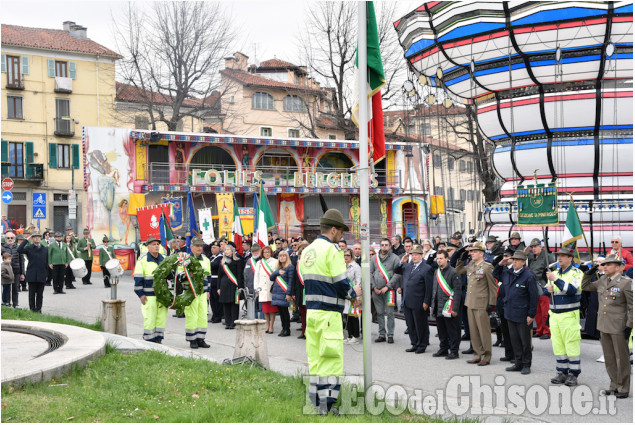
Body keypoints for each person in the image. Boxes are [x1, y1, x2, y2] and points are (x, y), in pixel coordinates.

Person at [299, 209, 361, 415]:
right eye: (341, 231)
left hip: (312, 313)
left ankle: (314, 402)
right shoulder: (332, 251)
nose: (342, 234)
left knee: (315, 359)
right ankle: (327, 406)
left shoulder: (307, 250)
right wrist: (354, 294)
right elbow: (341, 281)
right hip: (329, 314)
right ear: (333, 229)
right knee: (331, 360)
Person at [582, 254, 633, 398]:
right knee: (610, 358)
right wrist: (588, 273)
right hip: (604, 324)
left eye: (608, 265)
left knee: (621, 358)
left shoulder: (625, 283)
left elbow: (631, 306)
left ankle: (623, 388)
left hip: (618, 325)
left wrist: (630, 325)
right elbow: (585, 287)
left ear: (617, 267)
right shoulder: (602, 280)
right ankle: (614, 385)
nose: (604, 267)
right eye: (604, 265)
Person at [545, 243, 583, 386]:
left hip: (569, 315)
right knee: (558, 345)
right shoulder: (556, 272)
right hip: (554, 315)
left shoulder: (576, 273)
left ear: (570, 258)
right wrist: (547, 288)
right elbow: (546, 290)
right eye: (558, 256)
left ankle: (573, 374)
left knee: (571, 345)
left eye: (562, 256)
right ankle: (562, 372)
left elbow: (572, 289)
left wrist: (555, 280)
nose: (559, 258)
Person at [494, 251, 538, 374]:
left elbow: (533, 297)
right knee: (514, 340)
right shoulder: (508, 273)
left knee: (524, 341)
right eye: (513, 260)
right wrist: (501, 263)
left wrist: (531, 314)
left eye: (517, 260)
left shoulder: (529, 276)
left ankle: (526, 364)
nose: (514, 262)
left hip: (523, 313)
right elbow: (495, 274)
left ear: (524, 262)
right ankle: (518, 363)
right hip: (509, 311)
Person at [456, 242, 498, 366]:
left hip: (481, 303)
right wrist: (461, 259)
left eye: (474, 251)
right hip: (470, 302)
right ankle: (478, 353)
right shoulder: (471, 265)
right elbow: (458, 270)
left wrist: (491, 303)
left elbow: (492, 286)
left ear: (481, 253)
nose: (471, 253)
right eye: (471, 251)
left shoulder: (487, 267)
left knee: (483, 331)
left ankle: (486, 355)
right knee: (474, 331)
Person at [399, 244, 433, 354]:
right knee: (410, 324)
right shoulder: (408, 265)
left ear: (422, 256)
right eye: (412, 255)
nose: (414, 257)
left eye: (417, 255)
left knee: (420, 325)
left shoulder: (426, 268)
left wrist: (426, 301)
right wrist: (402, 262)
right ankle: (414, 343)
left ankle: (422, 344)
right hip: (408, 300)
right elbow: (397, 270)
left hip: (419, 301)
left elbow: (429, 287)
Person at [133, 237, 167, 343]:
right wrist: (141, 294)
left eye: (158, 244)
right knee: (150, 317)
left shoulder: (165, 259)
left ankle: (158, 338)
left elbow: (170, 275)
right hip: (149, 295)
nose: (156, 246)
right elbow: (138, 279)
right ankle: (148, 339)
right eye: (153, 244)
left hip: (162, 295)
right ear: (148, 247)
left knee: (161, 317)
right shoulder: (143, 260)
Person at [431, 250, 462, 359]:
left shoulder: (454, 272)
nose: (438, 260)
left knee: (452, 331)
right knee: (441, 330)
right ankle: (443, 348)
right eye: (437, 258)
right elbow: (435, 290)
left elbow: (458, 292)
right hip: (438, 306)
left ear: (447, 259)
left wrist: (455, 308)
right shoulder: (436, 271)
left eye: (441, 258)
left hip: (449, 306)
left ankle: (454, 351)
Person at [182, 237, 211, 349]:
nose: (200, 248)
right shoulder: (185, 259)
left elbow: (208, 277)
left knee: (202, 315)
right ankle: (192, 339)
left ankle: (201, 338)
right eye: (197, 246)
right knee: (192, 316)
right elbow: (179, 276)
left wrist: (208, 290)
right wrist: (188, 275)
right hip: (190, 291)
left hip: (203, 292)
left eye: (201, 246)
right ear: (191, 247)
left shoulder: (206, 260)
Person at [371, 238, 401, 344]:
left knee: (390, 313)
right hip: (376, 290)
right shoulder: (374, 258)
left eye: (386, 245)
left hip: (389, 291)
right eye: (382, 245)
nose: (384, 247)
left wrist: (387, 286)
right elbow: (370, 273)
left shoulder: (395, 258)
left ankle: (390, 334)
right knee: (379, 313)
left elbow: (398, 274)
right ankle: (381, 334)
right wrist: (374, 286)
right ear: (380, 246)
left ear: (389, 246)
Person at [18, 232, 48, 313]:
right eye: (35, 237)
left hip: (42, 274)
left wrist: (47, 274)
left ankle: (38, 309)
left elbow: (47, 262)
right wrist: (26, 240)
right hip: (32, 274)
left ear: (41, 238)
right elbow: (19, 249)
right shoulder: (29, 248)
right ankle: (32, 309)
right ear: (32, 239)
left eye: (38, 237)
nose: (37, 238)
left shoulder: (45, 249)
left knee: (40, 294)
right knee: (31, 294)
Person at [526, 238, 550, 339]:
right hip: (534, 285)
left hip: (543, 284)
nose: (533, 249)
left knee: (545, 311)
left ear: (540, 247)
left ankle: (546, 331)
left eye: (535, 246)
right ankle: (540, 330)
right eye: (532, 247)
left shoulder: (547, 256)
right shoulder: (531, 257)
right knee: (537, 311)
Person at [217, 244, 243, 330]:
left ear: (232, 251)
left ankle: (233, 322)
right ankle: (227, 322)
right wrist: (218, 288)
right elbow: (219, 276)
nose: (226, 251)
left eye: (228, 249)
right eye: (225, 250)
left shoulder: (237, 260)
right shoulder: (222, 262)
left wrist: (239, 286)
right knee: (226, 304)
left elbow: (240, 275)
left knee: (233, 304)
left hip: (233, 285)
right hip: (224, 285)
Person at [270, 250, 294, 337]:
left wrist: (289, 294)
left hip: (284, 293)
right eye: (280, 256)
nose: (282, 257)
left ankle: (287, 329)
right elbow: (271, 278)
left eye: (284, 256)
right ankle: (283, 328)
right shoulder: (279, 268)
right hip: (277, 293)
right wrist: (277, 272)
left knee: (285, 312)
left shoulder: (290, 267)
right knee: (281, 312)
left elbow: (291, 282)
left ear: (287, 257)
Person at [255, 245, 278, 333]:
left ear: (271, 253)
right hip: (262, 288)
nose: (267, 253)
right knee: (265, 309)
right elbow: (256, 277)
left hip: (271, 287)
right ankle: (267, 325)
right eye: (265, 252)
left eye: (268, 252)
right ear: (262, 253)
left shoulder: (275, 262)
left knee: (272, 309)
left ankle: (271, 326)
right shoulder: (259, 263)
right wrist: (257, 289)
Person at [343, 248, 362, 344]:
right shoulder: (343, 266)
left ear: (351, 256)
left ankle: (356, 336)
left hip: (353, 293)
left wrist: (358, 297)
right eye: (344, 255)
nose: (345, 257)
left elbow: (359, 281)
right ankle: (349, 335)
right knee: (347, 315)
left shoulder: (355, 266)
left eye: (347, 255)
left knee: (354, 316)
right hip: (346, 294)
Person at [1, 232, 24, 308]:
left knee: (15, 288)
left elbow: (22, 261)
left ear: (14, 239)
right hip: (6, 272)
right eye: (8, 238)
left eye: (12, 238)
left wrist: (22, 273)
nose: (10, 239)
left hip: (16, 271)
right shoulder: (2, 248)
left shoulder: (18, 247)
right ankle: (6, 303)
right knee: (6, 288)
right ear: (5, 239)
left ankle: (15, 304)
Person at [208, 241, 224, 323]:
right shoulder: (211, 258)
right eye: (211, 247)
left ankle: (218, 316)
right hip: (211, 280)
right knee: (212, 299)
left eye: (214, 247)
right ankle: (214, 315)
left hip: (217, 280)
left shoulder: (220, 257)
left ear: (219, 248)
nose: (212, 249)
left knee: (217, 299)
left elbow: (214, 266)